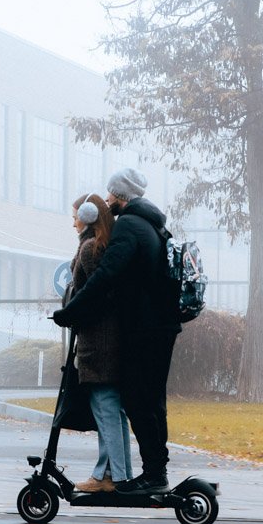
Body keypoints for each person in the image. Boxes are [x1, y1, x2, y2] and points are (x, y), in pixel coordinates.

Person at [52, 168, 180, 494]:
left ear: (121, 196)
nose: (107, 201)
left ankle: (152, 474)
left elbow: (106, 276)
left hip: (145, 329)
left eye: (110, 195)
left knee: (139, 402)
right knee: (150, 403)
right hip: (158, 326)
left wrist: (71, 312)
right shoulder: (151, 224)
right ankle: (155, 471)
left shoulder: (130, 226)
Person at [67, 193, 133, 492]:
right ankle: (114, 473)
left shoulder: (92, 249)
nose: (73, 221)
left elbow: (95, 294)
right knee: (112, 411)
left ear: (89, 215)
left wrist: (69, 311)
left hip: (99, 341)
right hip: (106, 340)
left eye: (76, 215)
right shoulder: (98, 245)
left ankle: (112, 478)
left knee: (106, 409)